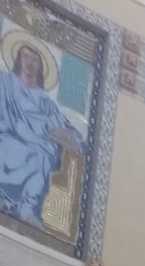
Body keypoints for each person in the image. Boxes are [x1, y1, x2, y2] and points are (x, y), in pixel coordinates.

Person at [0, 39, 86, 229]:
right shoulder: (5, 82)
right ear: (18, 59)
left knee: (43, 154)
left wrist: (71, 138)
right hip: (6, 136)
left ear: (41, 67)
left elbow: (64, 128)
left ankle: (27, 209)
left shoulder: (46, 102)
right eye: (25, 57)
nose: (29, 63)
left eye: (35, 60)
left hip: (36, 147)